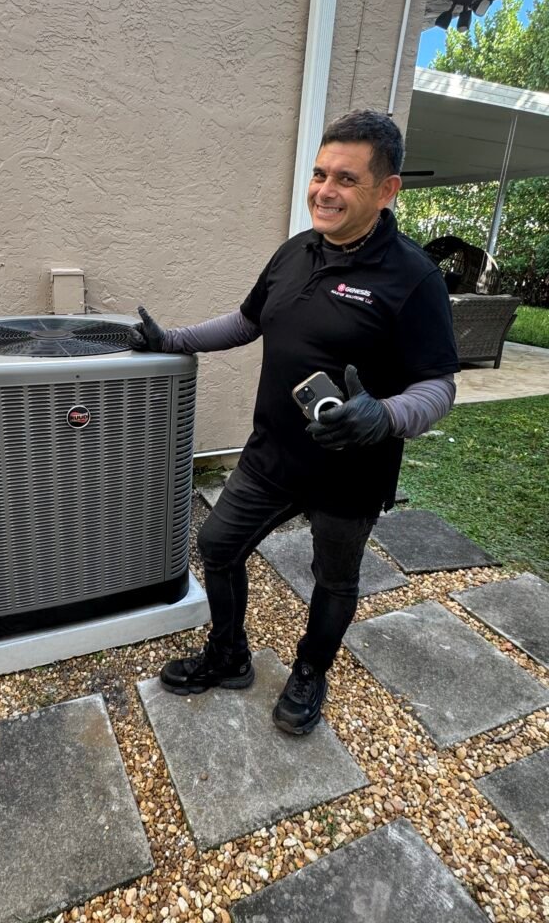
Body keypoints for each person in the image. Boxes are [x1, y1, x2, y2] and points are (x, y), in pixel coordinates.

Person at [129, 109, 459, 735]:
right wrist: (172, 340)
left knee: (333, 579)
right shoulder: (295, 251)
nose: (324, 191)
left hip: (350, 472)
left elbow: (439, 385)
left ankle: (310, 669)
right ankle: (229, 656)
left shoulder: (413, 277)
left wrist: (384, 415)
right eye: (319, 174)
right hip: (272, 454)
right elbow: (247, 321)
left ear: (387, 190)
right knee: (218, 545)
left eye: (346, 179)